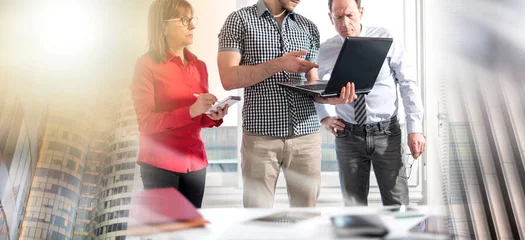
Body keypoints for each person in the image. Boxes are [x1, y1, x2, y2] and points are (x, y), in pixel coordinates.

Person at [217, 0, 356, 208]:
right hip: (260, 138)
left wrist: (333, 97)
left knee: (306, 217)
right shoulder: (239, 20)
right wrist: (279, 64)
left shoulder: (308, 27)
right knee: (257, 219)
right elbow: (228, 78)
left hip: (306, 138)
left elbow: (312, 85)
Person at [316, 0, 427, 206]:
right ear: (330, 18)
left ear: (361, 12)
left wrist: (415, 129)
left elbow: (407, 83)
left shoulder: (385, 38)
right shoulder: (326, 50)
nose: (345, 23)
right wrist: (324, 117)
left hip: (387, 135)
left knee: (397, 204)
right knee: (354, 208)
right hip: (348, 135)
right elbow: (311, 85)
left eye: (350, 15)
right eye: (338, 17)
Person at [130, 0, 228, 208]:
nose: (192, 25)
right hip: (159, 164)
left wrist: (212, 116)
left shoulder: (199, 66)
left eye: (192, 19)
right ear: (163, 26)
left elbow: (198, 119)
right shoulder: (146, 65)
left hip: (195, 163)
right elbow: (146, 123)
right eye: (184, 20)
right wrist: (192, 110)